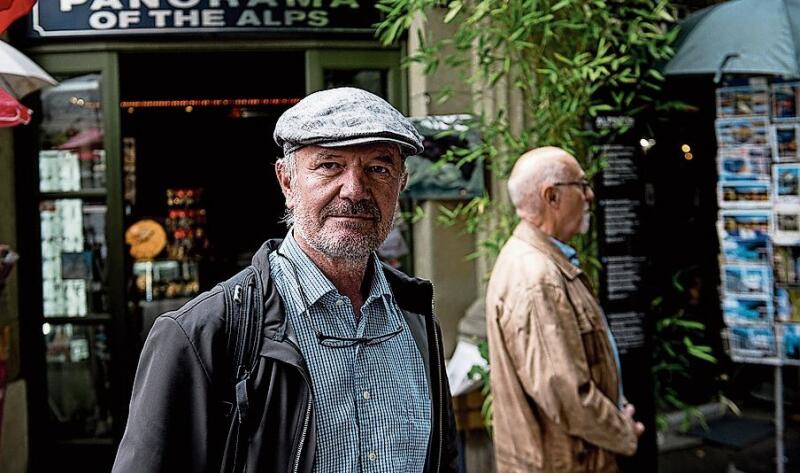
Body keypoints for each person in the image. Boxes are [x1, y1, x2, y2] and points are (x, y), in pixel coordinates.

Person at [112, 87, 458, 473]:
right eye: (329, 165)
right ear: (287, 182)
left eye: (378, 169)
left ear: (401, 184)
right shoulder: (203, 333)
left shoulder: (414, 317)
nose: (355, 190)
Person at [485, 146, 644, 473]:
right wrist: (623, 431)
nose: (590, 195)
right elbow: (566, 394)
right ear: (552, 197)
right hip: (565, 463)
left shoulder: (540, 264)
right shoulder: (537, 278)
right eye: (582, 185)